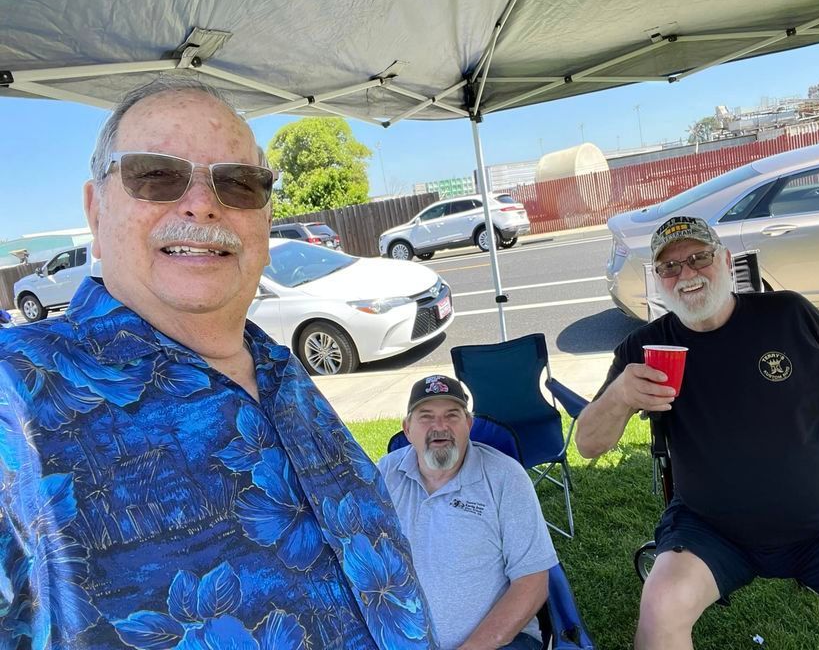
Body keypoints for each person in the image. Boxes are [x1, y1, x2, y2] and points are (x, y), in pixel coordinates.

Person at [0, 78, 435, 649]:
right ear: (95, 211)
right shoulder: (15, 392)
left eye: (237, 182)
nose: (204, 203)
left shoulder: (279, 369)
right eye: (156, 175)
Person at [575, 215, 819, 650]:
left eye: (699, 258)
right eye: (670, 267)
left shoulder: (788, 314)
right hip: (710, 530)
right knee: (661, 602)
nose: (686, 274)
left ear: (727, 261)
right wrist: (620, 395)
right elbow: (587, 443)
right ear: (658, 280)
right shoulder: (646, 348)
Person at [378, 375, 559, 650]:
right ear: (407, 429)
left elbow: (532, 582)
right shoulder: (382, 476)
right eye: (426, 416)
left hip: (498, 644)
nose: (440, 427)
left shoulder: (505, 478)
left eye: (452, 415)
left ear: (468, 424)